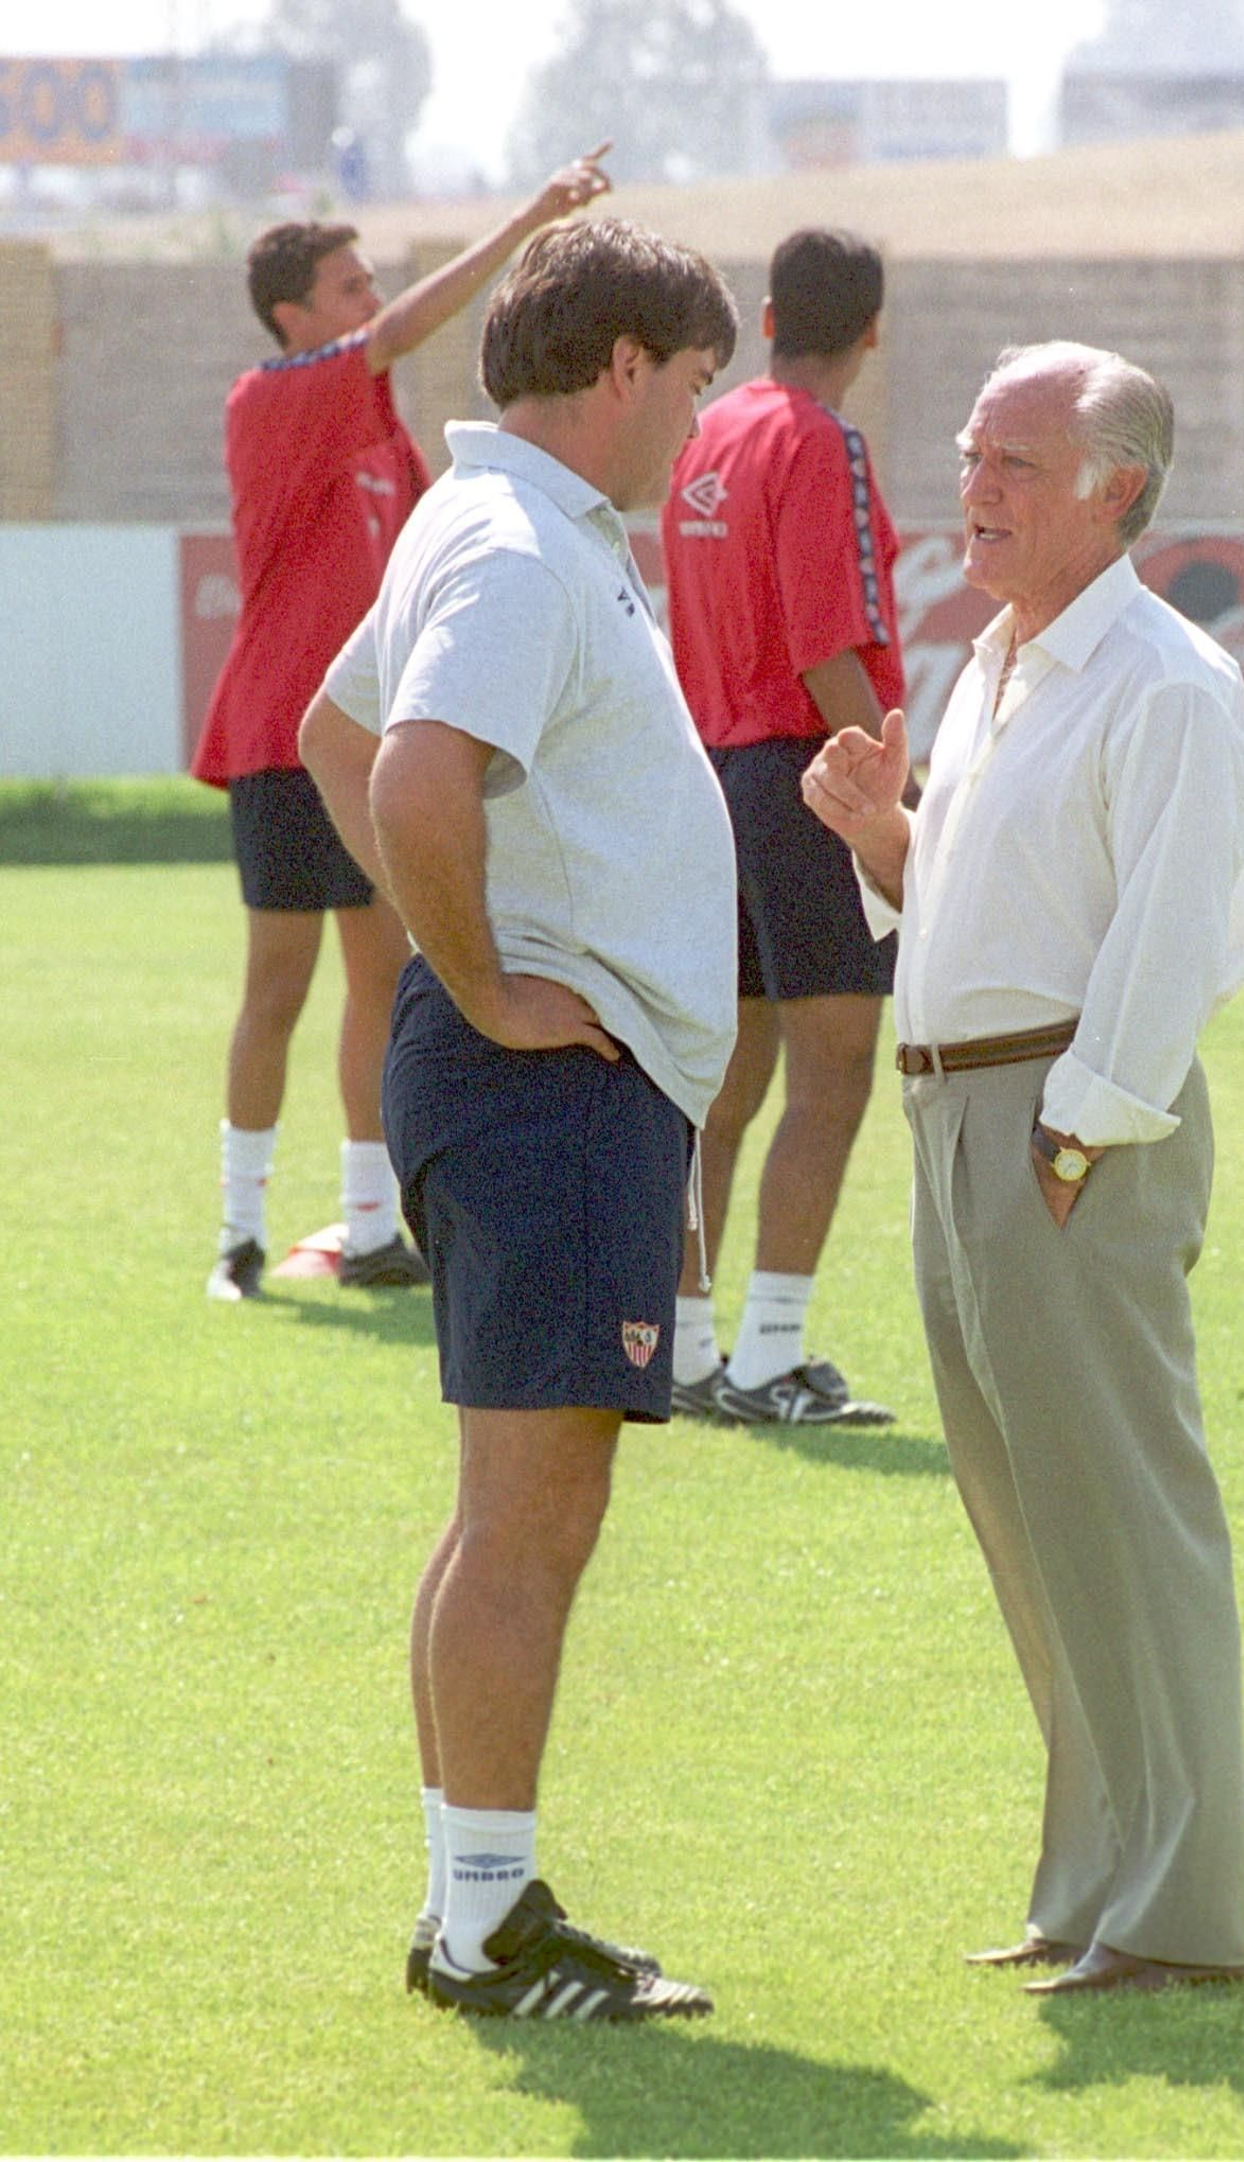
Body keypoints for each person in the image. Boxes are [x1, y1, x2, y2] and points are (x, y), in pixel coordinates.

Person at [301, 216, 739, 2021]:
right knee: (530, 1524)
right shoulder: (517, 540)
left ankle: (469, 1906)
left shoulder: (502, 528)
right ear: (622, 366)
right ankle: (486, 1927)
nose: (699, 428)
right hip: (544, 1085)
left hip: (556, 1085)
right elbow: (402, 767)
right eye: (696, 385)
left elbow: (338, 735)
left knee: (506, 1516)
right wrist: (484, 984)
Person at [802, 341, 1244, 1994]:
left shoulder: (1168, 681)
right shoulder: (997, 664)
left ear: (1114, 489)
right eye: (970, 451)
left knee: (1127, 1519)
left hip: (1071, 1132)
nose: (971, 490)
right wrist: (882, 844)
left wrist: (1081, 1130)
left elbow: (1171, 935)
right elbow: (996, 905)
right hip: (961, 1125)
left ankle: (1176, 1910)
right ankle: (1091, 1885)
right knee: (1031, 1518)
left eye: (1012, 462)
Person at [194, 147, 611, 1301]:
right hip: (288, 733)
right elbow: (402, 334)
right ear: (293, 315)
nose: (371, 301)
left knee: (385, 975)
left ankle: (372, 1222)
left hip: (373, 740)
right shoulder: (273, 395)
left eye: (371, 281)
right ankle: (237, 1229)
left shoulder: (383, 434)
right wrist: (532, 214)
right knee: (277, 985)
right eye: (349, 285)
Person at [659, 228, 903, 1427]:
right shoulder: (821, 441)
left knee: (729, 1072)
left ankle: (685, 1345)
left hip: (714, 775)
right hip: (805, 783)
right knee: (833, 1070)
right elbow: (823, 644)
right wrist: (887, 800)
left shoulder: (708, 432)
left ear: (763, 318)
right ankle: (768, 1358)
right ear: (871, 332)